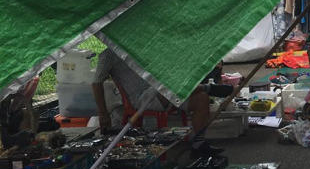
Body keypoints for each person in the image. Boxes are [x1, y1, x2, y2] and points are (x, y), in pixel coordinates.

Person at [92, 50, 227, 157]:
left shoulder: (136, 46)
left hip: (161, 91)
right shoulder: (108, 53)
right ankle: (206, 87)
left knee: (202, 99)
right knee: (169, 88)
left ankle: (199, 144)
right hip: (142, 98)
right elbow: (96, 82)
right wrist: (103, 113)